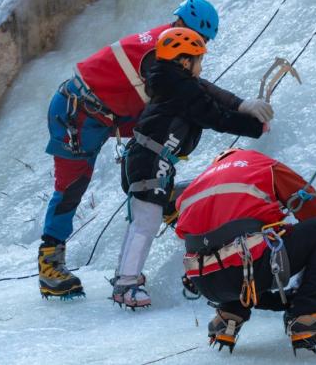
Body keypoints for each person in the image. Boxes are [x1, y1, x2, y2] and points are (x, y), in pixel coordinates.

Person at [38, 0, 274, 299]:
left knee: (160, 139)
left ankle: (160, 200)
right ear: (179, 26)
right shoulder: (159, 54)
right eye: (197, 39)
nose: (198, 47)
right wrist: (242, 113)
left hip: (107, 113)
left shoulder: (169, 48)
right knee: (72, 185)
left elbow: (195, 88)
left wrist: (241, 105)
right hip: (78, 114)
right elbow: (197, 98)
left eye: (202, 42)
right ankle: (50, 261)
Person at [113, 27, 266, 308]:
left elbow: (211, 94)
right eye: (198, 59)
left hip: (147, 159)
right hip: (150, 161)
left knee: (144, 220)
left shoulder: (174, 83)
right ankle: (126, 282)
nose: (201, 65)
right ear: (184, 61)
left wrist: (243, 106)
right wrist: (255, 127)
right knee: (146, 222)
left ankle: (126, 275)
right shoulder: (181, 88)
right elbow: (214, 115)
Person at [174, 148, 316, 354]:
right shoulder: (261, 165)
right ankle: (309, 310)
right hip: (248, 270)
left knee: (238, 250)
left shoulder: (196, 184)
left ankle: (230, 314)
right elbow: (314, 210)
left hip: (205, 283)